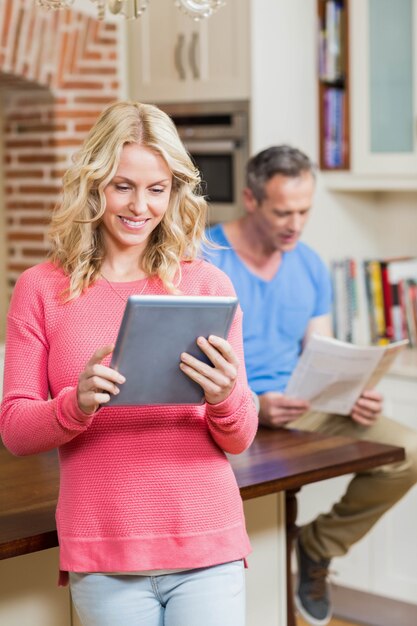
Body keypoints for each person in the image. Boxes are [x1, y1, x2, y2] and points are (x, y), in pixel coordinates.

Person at [0, 101, 258, 626]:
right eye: (123, 186)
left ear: (174, 192)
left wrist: (224, 396)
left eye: (157, 189)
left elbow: (240, 437)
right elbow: (15, 430)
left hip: (206, 540)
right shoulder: (41, 289)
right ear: (93, 185)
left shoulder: (207, 285)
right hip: (104, 547)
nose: (140, 205)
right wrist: (76, 402)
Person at [204, 145, 417, 626]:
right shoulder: (204, 257)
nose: (295, 224)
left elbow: (319, 352)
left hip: (301, 408)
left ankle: (317, 547)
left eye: (304, 211)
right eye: (283, 211)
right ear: (250, 200)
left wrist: (351, 390)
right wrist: (255, 401)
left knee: (407, 452)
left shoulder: (310, 264)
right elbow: (183, 362)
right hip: (227, 412)